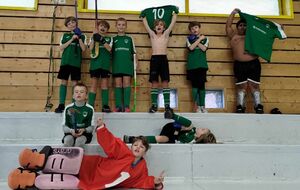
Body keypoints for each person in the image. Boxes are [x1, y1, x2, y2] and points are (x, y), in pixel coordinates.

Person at [78, 117, 165, 189]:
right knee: (74, 165)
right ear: (131, 148)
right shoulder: (124, 152)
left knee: (74, 180)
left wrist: (155, 182)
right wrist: (101, 128)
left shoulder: (142, 167)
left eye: (142, 147)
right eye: (135, 145)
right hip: (94, 167)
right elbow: (111, 144)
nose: (138, 147)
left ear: (144, 153)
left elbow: (142, 180)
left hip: (100, 181)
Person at [226, 8, 264, 114]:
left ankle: (258, 106)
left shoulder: (252, 36)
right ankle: (240, 106)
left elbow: (266, 34)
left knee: (254, 86)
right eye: (240, 25)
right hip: (239, 65)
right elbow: (228, 26)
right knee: (241, 86)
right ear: (237, 27)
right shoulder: (233, 36)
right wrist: (233, 13)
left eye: (245, 25)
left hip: (253, 64)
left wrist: (277, 29)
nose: (243, 27)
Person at [141, 10, 177, 115]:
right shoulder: (152, 35)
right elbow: (146, 26)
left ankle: (167, 106)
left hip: (163, 59)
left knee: (165, 82)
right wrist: (143, 17)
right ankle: (154, 105)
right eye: (157, 25)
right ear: (154, 28)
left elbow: (172, 23)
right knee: (154, 82)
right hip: (154, 59)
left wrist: (174, 14)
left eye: (161, 25)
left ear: (164, 28)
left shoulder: (166, 34)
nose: (159, 26)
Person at [54, 16, 87, 113]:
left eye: (73, 22)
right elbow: (61, 47)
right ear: (67, 26)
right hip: (65, 62)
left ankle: (75, 104)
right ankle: (61, 104)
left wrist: (79, 38)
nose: (71, 24)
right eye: (69, 24)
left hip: (75, 63)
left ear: (76, 24)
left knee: (75, 84)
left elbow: (84, 49)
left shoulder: (82, 36)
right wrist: (72, 39)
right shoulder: (65, 35)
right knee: (63, 82)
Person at [124, 112, 216, 144]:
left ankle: (133, 139)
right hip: (172, 128)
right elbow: (184, 127)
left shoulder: (192, 140)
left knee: (161, 139)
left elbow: (182, 139)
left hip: (172, 138)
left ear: (201, 136)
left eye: (203, 130)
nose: (201, 128)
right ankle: (172, 115)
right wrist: (180, 129)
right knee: (190, 124)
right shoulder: (192, 129)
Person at [112, 17, 138, 112]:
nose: (121, 26)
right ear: (116, 26)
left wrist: (136, 63)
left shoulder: (129, 39)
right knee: (118, 84)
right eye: (119, 24)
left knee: (127, 84)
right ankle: (118, 106)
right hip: (117, 65)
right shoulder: (113, 39)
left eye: (123, 25)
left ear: (126, 26)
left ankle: (126, 106)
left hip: (127, 65)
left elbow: (134, 53)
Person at [88, 20, 113, 113]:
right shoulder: (93, 37)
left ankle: (105, 105)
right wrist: (94, 38)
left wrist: (102, 40)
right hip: (95, 64)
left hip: (105, 65)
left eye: (105, 27)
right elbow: (90, 48)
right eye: (101, 26)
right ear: (98, 27)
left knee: (104, 85)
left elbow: (109, 49)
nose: (103, 28)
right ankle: (90, 106)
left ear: (107, 30)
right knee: (94, 85)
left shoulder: (110, 39)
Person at [62, 83, 95, 148]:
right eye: (76, 92)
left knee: (79, 141)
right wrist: (71, 131)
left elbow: (91, 128)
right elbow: (64, 127)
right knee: (68, 140)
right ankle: (66, 157)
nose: (79, 94)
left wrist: (84, 130)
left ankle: (78, 158)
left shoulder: (90, 109)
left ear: (86, 96)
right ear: (73, 96)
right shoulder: (68, 108)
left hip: (84, 134)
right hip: (70, 133)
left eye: (82, 92)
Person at [186, 21, 209, 113]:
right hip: (192, 66)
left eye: (196, 27)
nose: (194, 29)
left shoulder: (206, 38)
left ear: (199, 28)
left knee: (202, 86)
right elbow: (191, 48)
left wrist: (197, 40)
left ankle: (202, 106)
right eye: (192, 28)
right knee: (194, 86)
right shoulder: (188, 39)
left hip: (202, 65)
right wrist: (199, 40)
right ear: (190, 31)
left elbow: (204, 48)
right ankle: (196, 107)